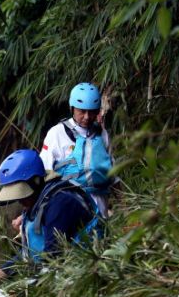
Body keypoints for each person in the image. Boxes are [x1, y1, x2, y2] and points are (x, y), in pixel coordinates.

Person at [0, 149, 103, 286]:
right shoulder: (37, 199)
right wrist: (3, 271)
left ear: (36, 181)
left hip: (86, 273)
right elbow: (31, 252)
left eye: (22, 194)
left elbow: (53, 258)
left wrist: (20, 288)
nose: (21, 201)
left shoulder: (60, 203)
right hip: (55, 272)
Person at [39, 82, 119, 213]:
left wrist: (128, 207)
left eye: (92, 112)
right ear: (72, 108)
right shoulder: (57, 133)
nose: (87, 117)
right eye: (82, 111)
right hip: (69, 206)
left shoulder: (102, 134)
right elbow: (43, 174)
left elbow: (113, 175)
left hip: (100, 208)